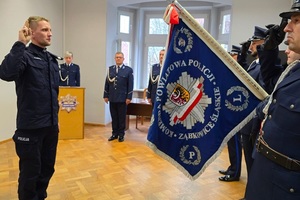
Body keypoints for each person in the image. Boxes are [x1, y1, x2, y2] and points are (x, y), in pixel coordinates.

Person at [0, 16, 60, 200]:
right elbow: (6, 73)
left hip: (50, 127)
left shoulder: (51, 60)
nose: (49, 33)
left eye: (50, 29)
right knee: (30, 174)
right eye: (44, 30)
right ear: (31, 32)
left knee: (47, 170)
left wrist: (55, 122)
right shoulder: (23, 55)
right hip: (30, 128)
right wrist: (20, 43)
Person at [245, 2, 300, 199]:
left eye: (296, 21)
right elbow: (271, 82)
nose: (287, 28)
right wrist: (269, 48)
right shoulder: (294, 70)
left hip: (286, 185)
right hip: (264, 173)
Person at [218, 45, 242, 182]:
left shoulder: (241, 73)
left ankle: (235, 172)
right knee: (231, 144)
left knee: (236, 144)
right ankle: (232, 166)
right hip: (229, 113)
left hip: (236, 114)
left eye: (233, 57)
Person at [103, 52, 134, 142]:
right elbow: (107, 83)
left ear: (123, 59)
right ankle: (114, 133)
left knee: (121, 117)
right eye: (117, 57)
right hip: (112, 97)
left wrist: (129, 97)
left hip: (122, 98)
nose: (118, 59)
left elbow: (130, 85)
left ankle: (121, 134)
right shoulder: (110, 69)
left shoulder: (128, 70)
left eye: (120, 57)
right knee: (114, 116)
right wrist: (105, 95)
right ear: (114, 58)